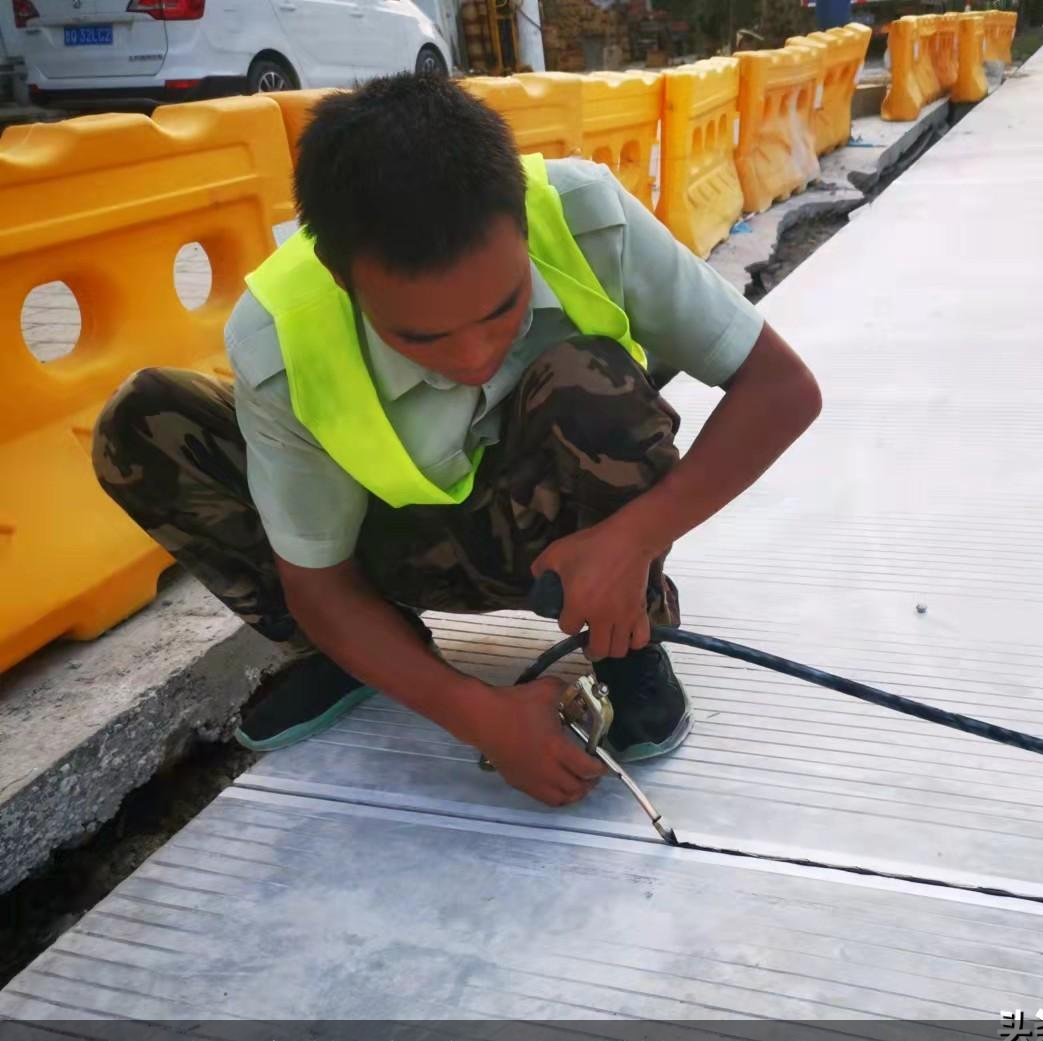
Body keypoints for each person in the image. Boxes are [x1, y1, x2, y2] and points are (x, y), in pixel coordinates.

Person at [92, 73, 821, 809]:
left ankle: (625, 642)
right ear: (344, 281)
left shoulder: (583, 216)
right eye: (420, 336)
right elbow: (316, 580)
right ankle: (357, 656)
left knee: (587, 380)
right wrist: (478, 716)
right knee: (147, 421)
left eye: (502, 310)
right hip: (390, 556)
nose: (474, 357)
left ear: (520, 225)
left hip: (562, 548)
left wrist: (635, 538)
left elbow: (782, 389)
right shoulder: (280, 336)